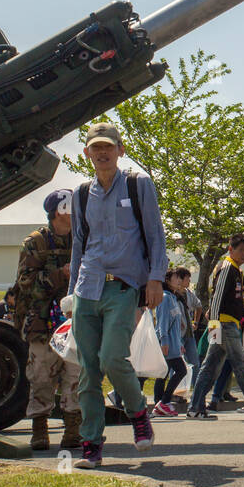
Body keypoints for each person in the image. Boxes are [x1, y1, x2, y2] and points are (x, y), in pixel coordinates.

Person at [68, 122, 169, 468]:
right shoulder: (81, 192)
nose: (102, 152)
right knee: (88, 371)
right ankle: (91, 445)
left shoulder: (138, 184)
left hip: (124, 286)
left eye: (108, 146)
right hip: (87, 287)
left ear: (120, 150)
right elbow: (79, 243)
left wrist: (156, 278)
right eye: (95, 147)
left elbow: (155, 234)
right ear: (87, 153)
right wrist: (71, 296)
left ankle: (137, 412)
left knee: (112, 358)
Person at [15, 189, 82, 451]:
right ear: (57, 211)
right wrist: (60, 274)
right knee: (41, 374)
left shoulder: (83, 241)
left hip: (76, 321)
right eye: (69, 208)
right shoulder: (35, 243)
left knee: (75, 373)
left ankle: (73, 428)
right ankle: (39, 428)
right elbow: (26, 284)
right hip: (42, 321)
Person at [187, 233, 244, 420]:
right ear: (230, 249)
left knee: (210, 367)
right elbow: (216, 298)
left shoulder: (235, 271)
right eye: (241, 250)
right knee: (241, 365)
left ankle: (195, 407)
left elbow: (227, 298)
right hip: (224, 324)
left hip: (225, 324)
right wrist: (214, 324)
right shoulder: (227, 268)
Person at [152, 267, 190, 417]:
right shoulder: (165, 298)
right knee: (180, 370)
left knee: (164, 373)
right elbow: (162, 322)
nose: (179, 281)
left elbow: (175, 324)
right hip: (167, 343)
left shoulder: (173, 298)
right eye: (176, 278)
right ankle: (163, 402)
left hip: (174, 343)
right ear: (167, 281)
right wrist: (164, 341)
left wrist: (180, 343)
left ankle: (160, 403)